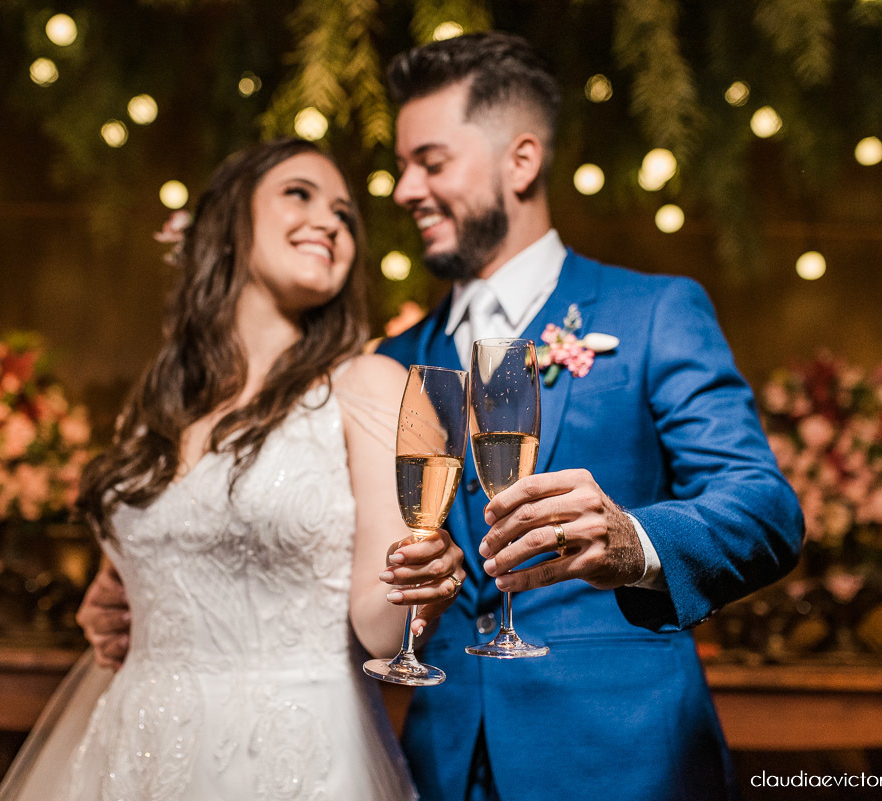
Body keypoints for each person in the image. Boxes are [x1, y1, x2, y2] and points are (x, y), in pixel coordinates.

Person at [81, 33, 805, 801]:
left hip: (624, 759)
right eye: (401, 167)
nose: (403, 190)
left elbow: (765, 510)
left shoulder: (654, 312)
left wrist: (631, 540)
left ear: (520, 162)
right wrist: (142, 579)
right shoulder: (387, 361)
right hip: (438, 764)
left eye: (430, 161)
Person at [0, 138, 465, 801]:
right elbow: (146, 574)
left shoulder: (370, 384)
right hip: (136, 747)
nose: (330, 221)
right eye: (299, 194)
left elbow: (381, 626)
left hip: (293, 757)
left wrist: (425, 584)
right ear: (227, 224)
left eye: (344, 215)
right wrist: (112, 595)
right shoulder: (155, 410)